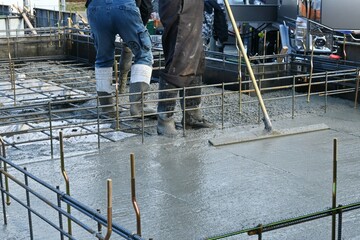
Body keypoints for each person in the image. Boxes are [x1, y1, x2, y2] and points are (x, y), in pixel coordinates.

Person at [86, 0, 155, 117]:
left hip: (95, 7)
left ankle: (107, 108)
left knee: (103, 59)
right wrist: (136, 28)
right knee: (143, 55)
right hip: (124, 7)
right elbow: (146, 6)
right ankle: (138, 107)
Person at [156, 0, 213, 136]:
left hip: (193, 5)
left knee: (196, 56)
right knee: (179, 56)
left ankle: (192, 115)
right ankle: (165, 118)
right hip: (178, 5)